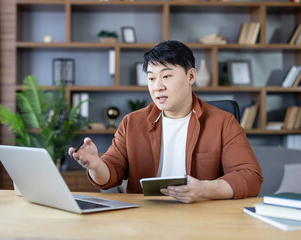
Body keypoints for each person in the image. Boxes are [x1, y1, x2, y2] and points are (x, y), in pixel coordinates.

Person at [68, 40, 263, 203]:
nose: (157, 87)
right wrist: (96, 166)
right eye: (151, 79)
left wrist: (205, 188)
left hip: (202, 218)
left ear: (191, 76)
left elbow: (250, 177)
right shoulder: (132, 123)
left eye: (167, 76)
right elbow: (110, 175)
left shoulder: (223, 122)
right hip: (144, 218)